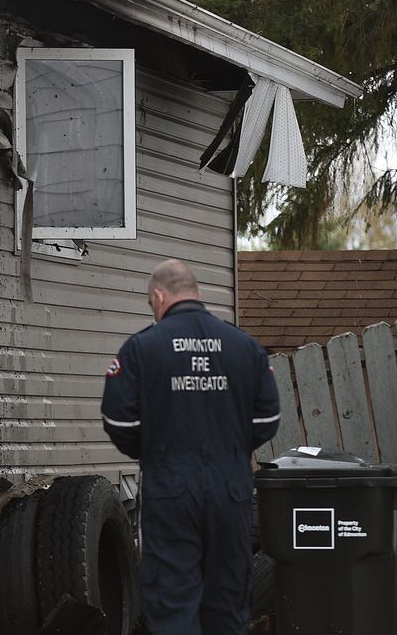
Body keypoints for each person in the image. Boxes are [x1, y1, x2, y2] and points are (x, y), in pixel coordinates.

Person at [101, 258, 280, 635]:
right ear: (196, 293)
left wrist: (156, 450)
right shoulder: (244, 347)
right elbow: (267, 420)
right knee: (228, 601)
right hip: (231, 488)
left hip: (170, 490)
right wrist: (229, 448)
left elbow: (119, 422)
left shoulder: (141, 349)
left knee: (172, 600)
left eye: (152, 304)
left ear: (158, 295)